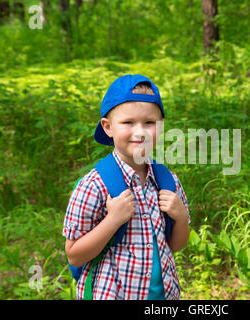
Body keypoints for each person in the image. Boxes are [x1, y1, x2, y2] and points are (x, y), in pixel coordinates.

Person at [62, 74, 190, 300]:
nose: (140, 131)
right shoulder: (94, 186)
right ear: (108, 127)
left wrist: (180, 217)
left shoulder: (168, 182)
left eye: (149, 123)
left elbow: (176, 246)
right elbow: (74, 256)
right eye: (128, 123)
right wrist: (112, 220)